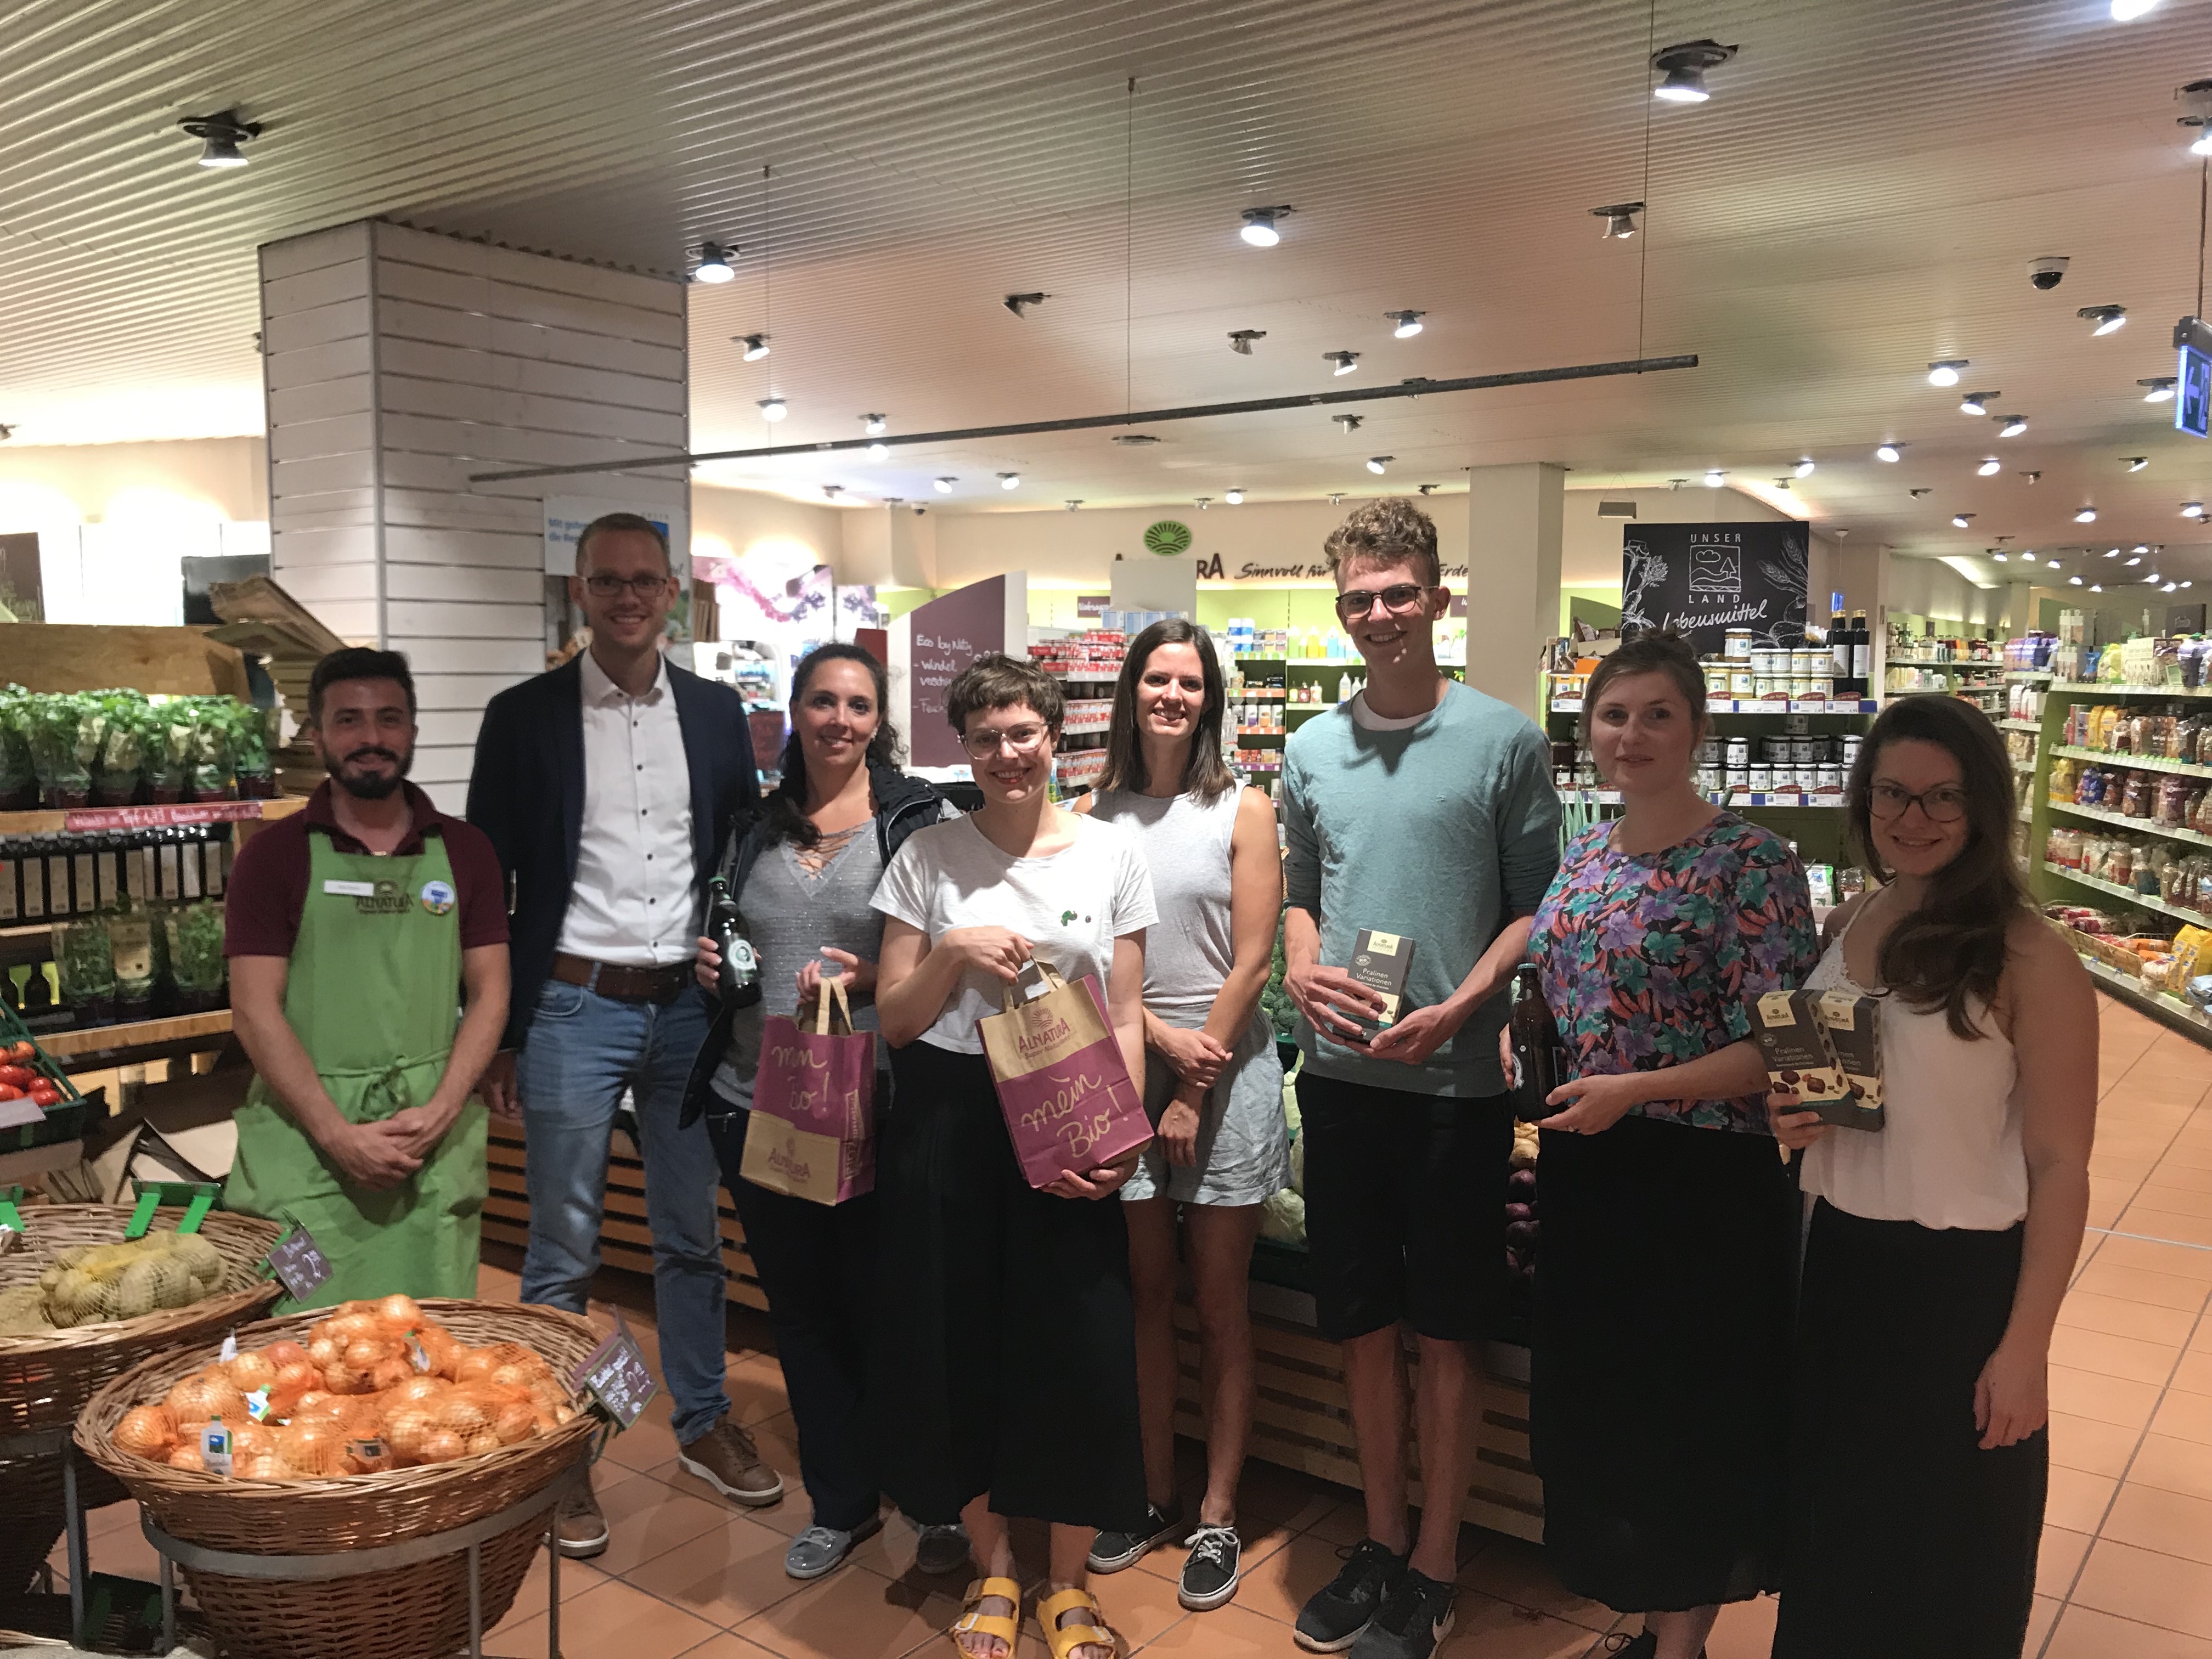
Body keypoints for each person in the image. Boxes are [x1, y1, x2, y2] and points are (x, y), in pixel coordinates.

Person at [1279, 498, 1561, 1659]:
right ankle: (1382, 1538)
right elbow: (1300, 887)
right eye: (1360, 597)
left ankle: (1437, 1562)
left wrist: (1464, 1004)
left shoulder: (1505, 740)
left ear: (1438, 597)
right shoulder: (1308, 747)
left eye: (1399, 592)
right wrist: (1299, 962)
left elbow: (1535, 906)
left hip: (1455, 1091)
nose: (1380, 613)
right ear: (1340, 609)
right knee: (1360, 1324)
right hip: (1340, 1080)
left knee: (1447, 1332)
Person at [465, 512, 769, 1558]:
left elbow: (737, 852)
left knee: (692, 1234)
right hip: (570, 1004)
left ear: (674, 589)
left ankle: (703, 1418)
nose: (628, 596)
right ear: (579, 592)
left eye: (646, 580)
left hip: (686, 1012)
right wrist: (498, 1031)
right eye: (608, 580)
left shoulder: (718, 712)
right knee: (563, 1246)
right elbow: (489, 883)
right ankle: (557, 1452)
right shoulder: (522, 717)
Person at [1769, 695, 2094, 1659]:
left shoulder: (2030, 956)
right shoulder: (1851, 918)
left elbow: (2061, 1167)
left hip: (1957, 1291)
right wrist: (1792, 1120)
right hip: (1839, 1267)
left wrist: (2026, 1346)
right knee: (1836, 1545)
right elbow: (1835, 1095)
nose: (1912, 818)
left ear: (1983, 804)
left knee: (1947, 1561)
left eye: (1941, 796)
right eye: (1892, 794)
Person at [1514, 631, 1815, 1659]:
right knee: (1612, 1413)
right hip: (1590, 1172)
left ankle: (1676, 1644)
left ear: (1696, 730)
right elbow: (1559, 983)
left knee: (1690, 1419)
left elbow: (1784, 1046)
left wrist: (1638, 1089)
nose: (1631, 734)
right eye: (1613, 714)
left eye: (1657, 714)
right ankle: (1648, 1625)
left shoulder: (1752, 861)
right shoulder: (1586, 852)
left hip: (1701, 1186)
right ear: (1587, 729)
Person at [871, 653, 1154, 1659]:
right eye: (985, 737)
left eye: (1022, 732)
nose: (1006, 753)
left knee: (1077, 1343)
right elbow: (894, 1019)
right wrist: (952, 951)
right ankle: (993, 1566)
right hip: (952, 1117)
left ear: (1054, 735)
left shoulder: (1111, 853)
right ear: (964, 747)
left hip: (1067, 1108)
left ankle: (1068, 1582)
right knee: (961, 1339)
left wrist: (1119, 1136)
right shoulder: (926, 856)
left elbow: (1126, 1012)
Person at [677, 642, 968, 1582]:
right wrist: (714, 965)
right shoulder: (750, 830)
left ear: (878, 720)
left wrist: (876, 978)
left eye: (858, 704)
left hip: (880, 1105)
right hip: (757, 1104)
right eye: (822, 701)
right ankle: (841, 1502)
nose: (839, 719)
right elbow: (731, 938)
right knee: (802, 1313)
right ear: (794, 712)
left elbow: (940, 960)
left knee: (896, 1311)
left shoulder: (914, 821)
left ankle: (927, 1498)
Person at [1079, 619, 1288, 1612]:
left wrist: (1195, 1083)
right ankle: (1153, 1490)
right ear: (1131, 690)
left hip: (1224, 1073)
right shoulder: (1092, 812)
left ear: (1211, 699)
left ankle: (1217, 1509)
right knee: (1145, 1295)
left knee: (1219, 1301)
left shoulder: (1242, 807)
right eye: (1157, 679)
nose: (1172, 696)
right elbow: (1086, 955)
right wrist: (1157, 1040)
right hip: (1129, 1062)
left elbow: (1253, 960)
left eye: (1190, 682)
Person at [225, 648, 510, 1307]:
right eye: (348, 720)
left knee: (432, 1335)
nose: (371, 737)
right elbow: (254, 1011)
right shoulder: (272, 857)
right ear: (317, 735)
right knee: (297, 1337)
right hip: (306, 1144)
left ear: (412, 730)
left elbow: (491, 992)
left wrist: (441, 1111)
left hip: (429, 1140)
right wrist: (336, 1134)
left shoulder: (466, 851)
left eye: (389, 718)